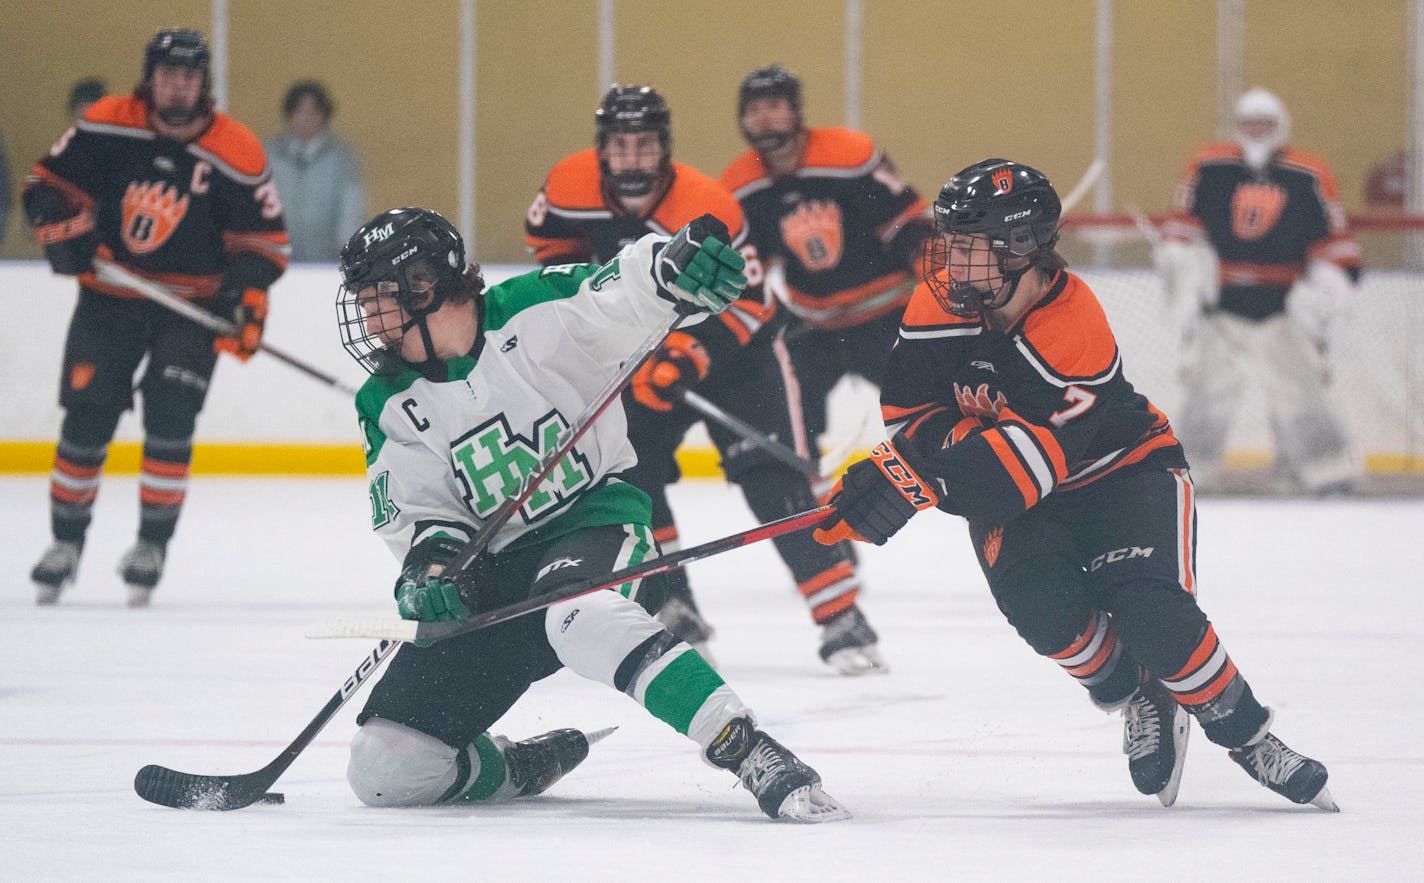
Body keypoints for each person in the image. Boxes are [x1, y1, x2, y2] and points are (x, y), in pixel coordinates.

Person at [813, 158, 1337, 811]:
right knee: (1043, 612)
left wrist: (924, 473)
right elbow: (912, 416)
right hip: (1015, 476)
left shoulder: (1072, 324)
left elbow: (1022, 476)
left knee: (1150, 611)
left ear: (1020, 248)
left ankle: (1249, 735)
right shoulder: (942, 299)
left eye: (969, 245)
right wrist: (912, 466)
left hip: (1125, 473)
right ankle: (1139, 693)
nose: (951, 258)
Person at [335, 205, 848, 822]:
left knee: (579, 614)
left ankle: (747, 748)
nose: (368, 321)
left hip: (594, 524)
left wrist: (675, 264)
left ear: (425, 285)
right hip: (491, 573)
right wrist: (430, 568)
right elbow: (419, 509)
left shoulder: (539, 310)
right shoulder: (385, 401)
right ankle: (519, 766)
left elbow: (625, 288)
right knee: (385, 770)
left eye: (378, 300)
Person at [525, 84, 884, 675]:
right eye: (620, 145)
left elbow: (747, 303)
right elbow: (552, 255)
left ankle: (841, 616)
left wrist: (686, 353)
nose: (633, 158)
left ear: (664, 148)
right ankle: (673, 605)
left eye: (644, 145)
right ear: (601, 149)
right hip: (641, 361)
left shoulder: (705, 202)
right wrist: (600, 332)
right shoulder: (567, 185)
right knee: (632, 478)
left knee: (773, 481)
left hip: (741, 359)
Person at [24, 28, 289, 606]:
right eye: (168, 73)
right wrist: (63, 233)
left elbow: (265, 244)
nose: (177, 84)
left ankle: (151, 545)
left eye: (189, 75)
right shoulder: (107, 122)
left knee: (170, 420)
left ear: (204, 83)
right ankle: (65, 544)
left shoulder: (237, 149)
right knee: (87, 419)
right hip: (109, 298)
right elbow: (44, 189)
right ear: (151, 77)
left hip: (192, 309)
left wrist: (248, 303)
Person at [719, 65, 935, 485]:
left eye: (775, 106)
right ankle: (810, 505)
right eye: (754, 109)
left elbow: (908, 225)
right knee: (790, 414)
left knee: (929, 407)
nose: (764, 117)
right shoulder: (739, 184)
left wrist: (938, 283)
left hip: (887, 315)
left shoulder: (849, 156)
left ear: (797, 111)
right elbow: (748, 269)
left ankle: (960, 475)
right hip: (813, 326)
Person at [1158, 87, 1363, 494]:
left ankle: (1329, 474)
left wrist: (1335, 276)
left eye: (1265, 124)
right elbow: (1184, 224)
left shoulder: (1308, 172)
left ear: (1281, 127)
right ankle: (1190, 476)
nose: (1256, 130)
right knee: (1206, 396)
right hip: (1223, 304)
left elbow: (1332, 234)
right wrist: (1177, 254)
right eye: (1249, 123)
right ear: (1237, 126)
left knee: (1300, 397)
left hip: (1283, 304)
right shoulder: (1209, 166)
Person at [264, 80, 365, 261]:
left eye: (312, 113)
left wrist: (347, 249)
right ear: (289, 115)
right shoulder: (270, 155)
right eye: (299, 112)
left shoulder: (341, 158)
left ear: (324, 117)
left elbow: (350, 205)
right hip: (277, 256)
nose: (305, 119)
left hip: (327, 259)